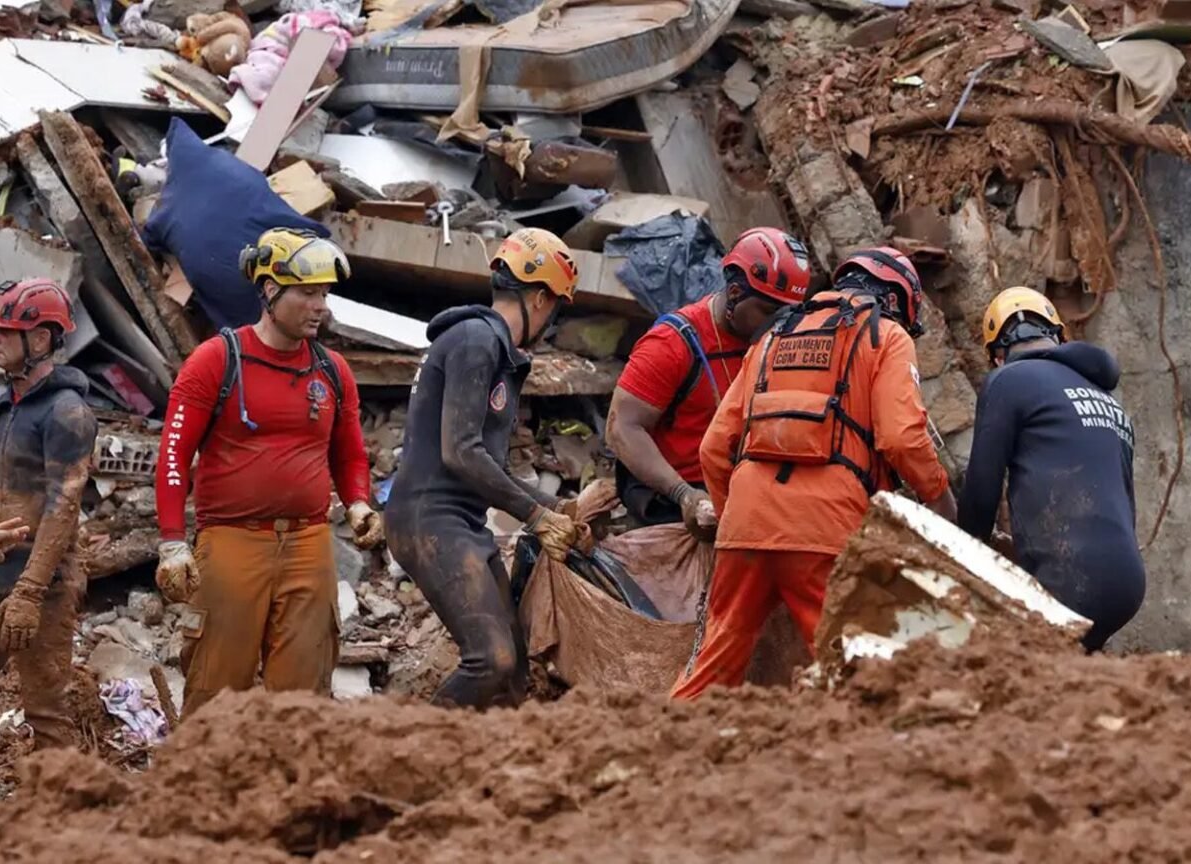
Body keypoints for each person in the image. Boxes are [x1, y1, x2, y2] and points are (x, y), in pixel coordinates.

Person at [672, 247, 956, 700]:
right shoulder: (886, 334)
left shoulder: (773, 335)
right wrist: (939, 497)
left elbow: (713, 450)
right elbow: (901, 438)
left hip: (745, 527)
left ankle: (657, 738)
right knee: (857, 673)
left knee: (712, 669)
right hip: (825, 529)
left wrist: (734, 524)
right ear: (896, 301)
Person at [154, 228, 381, 716]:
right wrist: (173, 543)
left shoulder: (333, 371)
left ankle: (288, 770)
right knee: (217, 689)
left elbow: (349, 454)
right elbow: (173, 454)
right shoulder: (216, 361)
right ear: (271, 290)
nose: (321, 307)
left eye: (325, 294)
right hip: (232, 541)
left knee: (303, 696)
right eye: (308, 293)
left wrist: (359, 502)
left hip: (309, 544)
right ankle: (205, 768)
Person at [385, 227, 582, 710]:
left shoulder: (491, 347)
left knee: (513, 672)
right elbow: (461, 452)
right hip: (430, 520)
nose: (550, 321)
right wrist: (537, 517)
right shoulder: (477, 340)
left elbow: (488, 465)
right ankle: (405, 744)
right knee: (491, 660)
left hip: (458, 521)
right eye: (555, 308)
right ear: (540, 298)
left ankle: (495, 754)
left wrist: (556, 508)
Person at [956, 287, 1144, 651]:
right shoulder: (1108, 401)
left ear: (997, 355)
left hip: (1071, 577)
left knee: (1006, 666)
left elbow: (981, 493)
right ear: (1058, 337)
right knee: (1067, 670)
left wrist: (959, 559)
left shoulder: (1009, 380)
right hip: (1127, 581)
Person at [606, 227, 811, 538]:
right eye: (769, 311)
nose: (778, 323)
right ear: (735, 293)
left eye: (787, 312)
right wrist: (683, 494)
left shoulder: (773, 341)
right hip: (675, 500)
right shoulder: (672, 344)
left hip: (744, 492)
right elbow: (622, 427)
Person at [0, 279, 97, 791]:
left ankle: (60, 824)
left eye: (6, 331)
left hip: (41, 591)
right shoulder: (5, 402)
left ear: (42, 339)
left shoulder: (67, 411)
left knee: (47, 716)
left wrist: (29, 591)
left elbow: (63, 503)